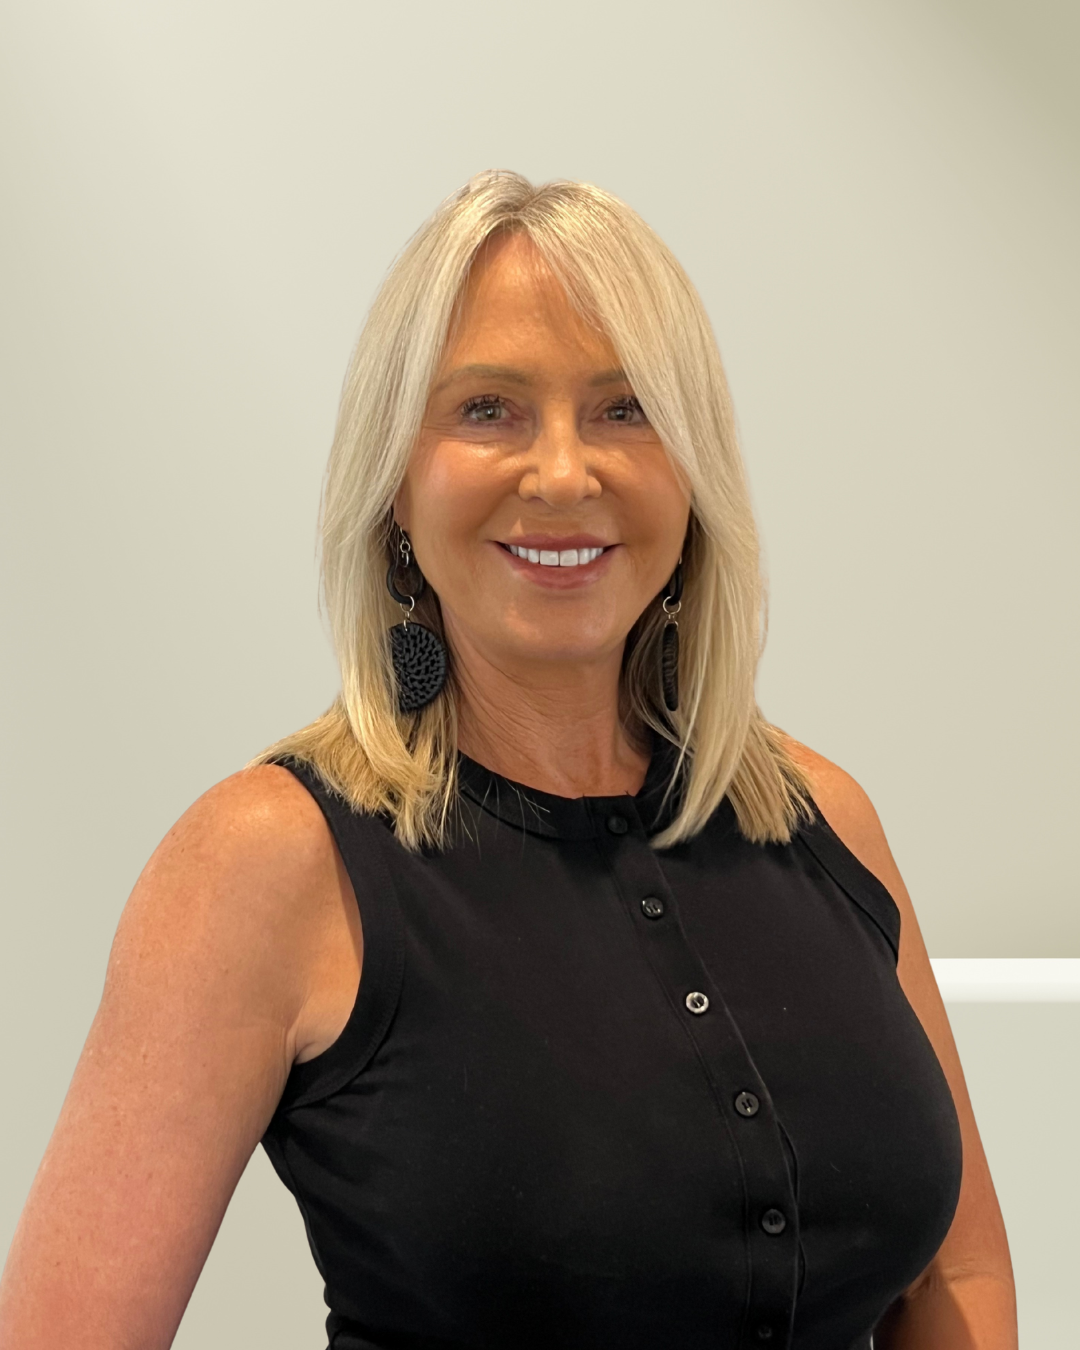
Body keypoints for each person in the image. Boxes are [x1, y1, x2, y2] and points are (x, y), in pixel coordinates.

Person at [0, 170, 1017, 1350]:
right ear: (395, 485)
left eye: (626, 409)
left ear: (694, 475)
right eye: (488, 409)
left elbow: (959, 1273)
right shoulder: (267, 865)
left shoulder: (822, 817)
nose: (564, 474)